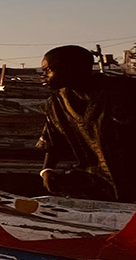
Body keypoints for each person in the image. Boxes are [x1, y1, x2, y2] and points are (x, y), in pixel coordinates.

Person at [37, 45, 136, 202]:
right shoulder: (56, 103)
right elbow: (53, 141)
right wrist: (46, 171)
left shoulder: (124, 91)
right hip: (95, 180)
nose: (43, 75)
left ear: (75, 68)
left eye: (48, 70)